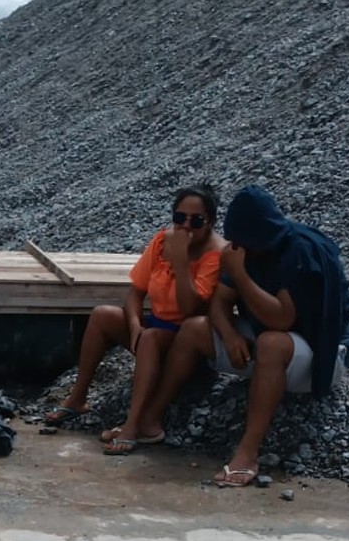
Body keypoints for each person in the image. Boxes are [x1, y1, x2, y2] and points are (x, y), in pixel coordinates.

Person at [136, 184, 349, 487]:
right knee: (194, 329)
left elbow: (281, 318)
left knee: (271, 342)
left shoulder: (298, 252)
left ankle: (247, 452)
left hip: (324, 354)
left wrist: (240, 275)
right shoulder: (240, 250)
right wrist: (229, 335)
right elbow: (219, 305)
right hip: (268, 348)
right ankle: (150, 418)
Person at [43, 184, 225, 455]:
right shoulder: (162, 240)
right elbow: (134, 293)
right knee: (102, 315)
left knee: (151, 337)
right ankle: (77, 398)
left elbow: (190, 310)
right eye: (179, 218)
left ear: (209, 222)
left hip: (187, 338)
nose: (186, 226)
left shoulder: (216, 253)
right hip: (156, 327)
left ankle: (133, 424)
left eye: (196, 221)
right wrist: (135, 325)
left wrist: (180, 262)